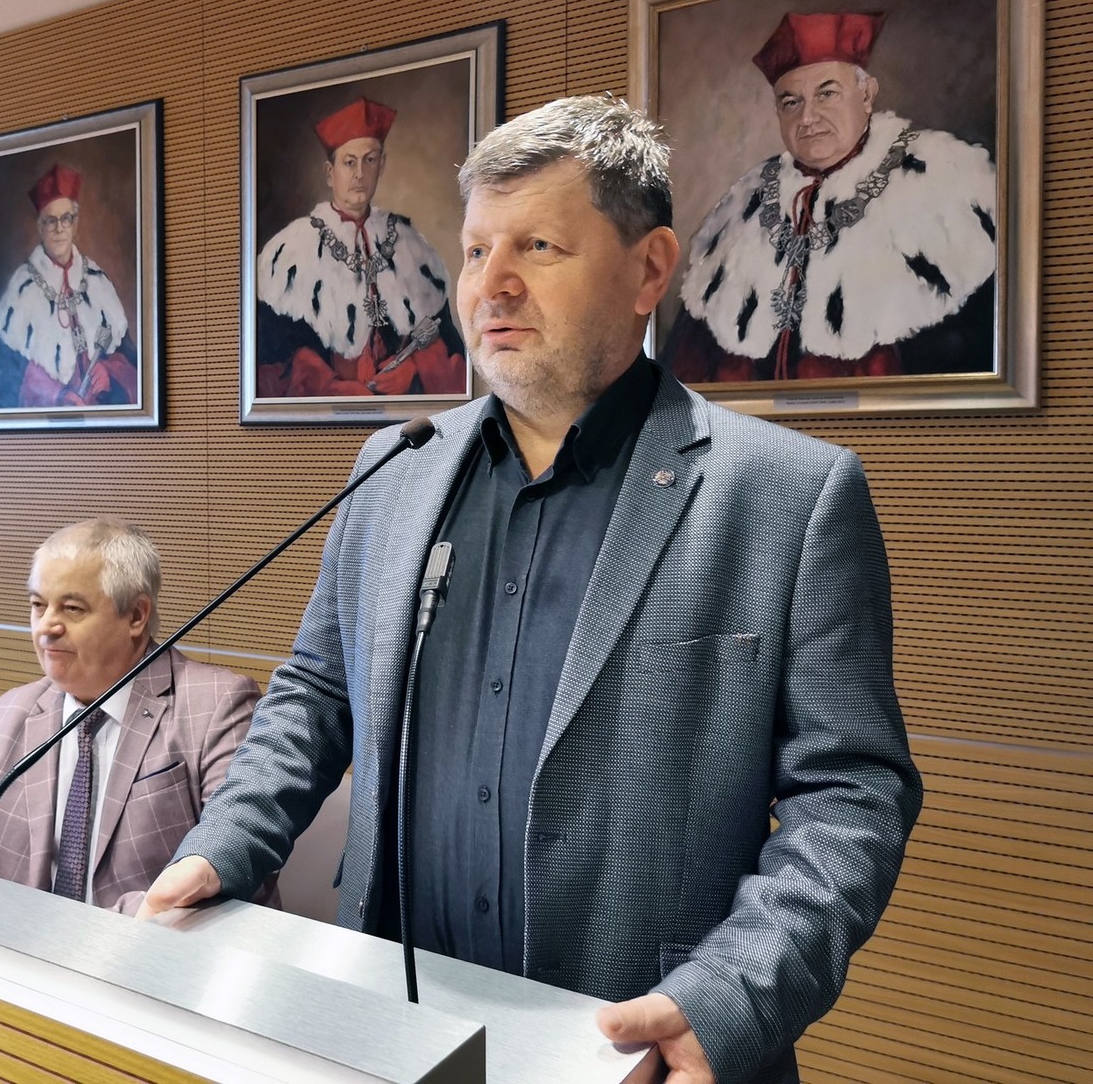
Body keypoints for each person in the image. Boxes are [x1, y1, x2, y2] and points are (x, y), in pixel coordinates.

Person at [141, 97, 922, 1084]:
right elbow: (317, 693)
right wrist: (222, 846)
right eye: (475, 251)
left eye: (539, 246)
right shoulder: (395, 467)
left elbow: (850, 796)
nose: (491, 286)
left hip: (633, 1048)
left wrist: (731, 992)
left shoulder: (789, 496)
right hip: (388, 1032)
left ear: (650, 268)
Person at [0, 519, 269, 913]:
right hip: (23, 943)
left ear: (136, 615)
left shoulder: (214, 707)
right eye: (38, 605)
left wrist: (73, 936)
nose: (46, 627)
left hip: (152, 945)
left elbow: (232, 866)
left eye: (72, 609)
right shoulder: (10, 715)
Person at [661, 10, 998, 382]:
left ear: (866, 94)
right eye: (791, 102)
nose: (808, 117)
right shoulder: (746, 201)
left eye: (827, 94)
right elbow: (684, 369)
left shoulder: (942, 180)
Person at [255, 96, 467, 398]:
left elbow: (444, 341)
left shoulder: (411, 245)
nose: (359, 174)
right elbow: (274, 355)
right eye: (349, 162)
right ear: (330, 173)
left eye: (369, 160)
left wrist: (413, 368)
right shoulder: (290, 251)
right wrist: (335, 388)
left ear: (382, 165)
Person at [0, 163, 139, 408]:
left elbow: (132, 362)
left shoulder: (97, 281)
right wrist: (56, 395)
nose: (59, 228)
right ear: (40, 227)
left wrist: (109, 372)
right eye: (51, 220)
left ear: (75, 224)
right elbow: (4, 378)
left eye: (66, 218)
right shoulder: (22, 288)